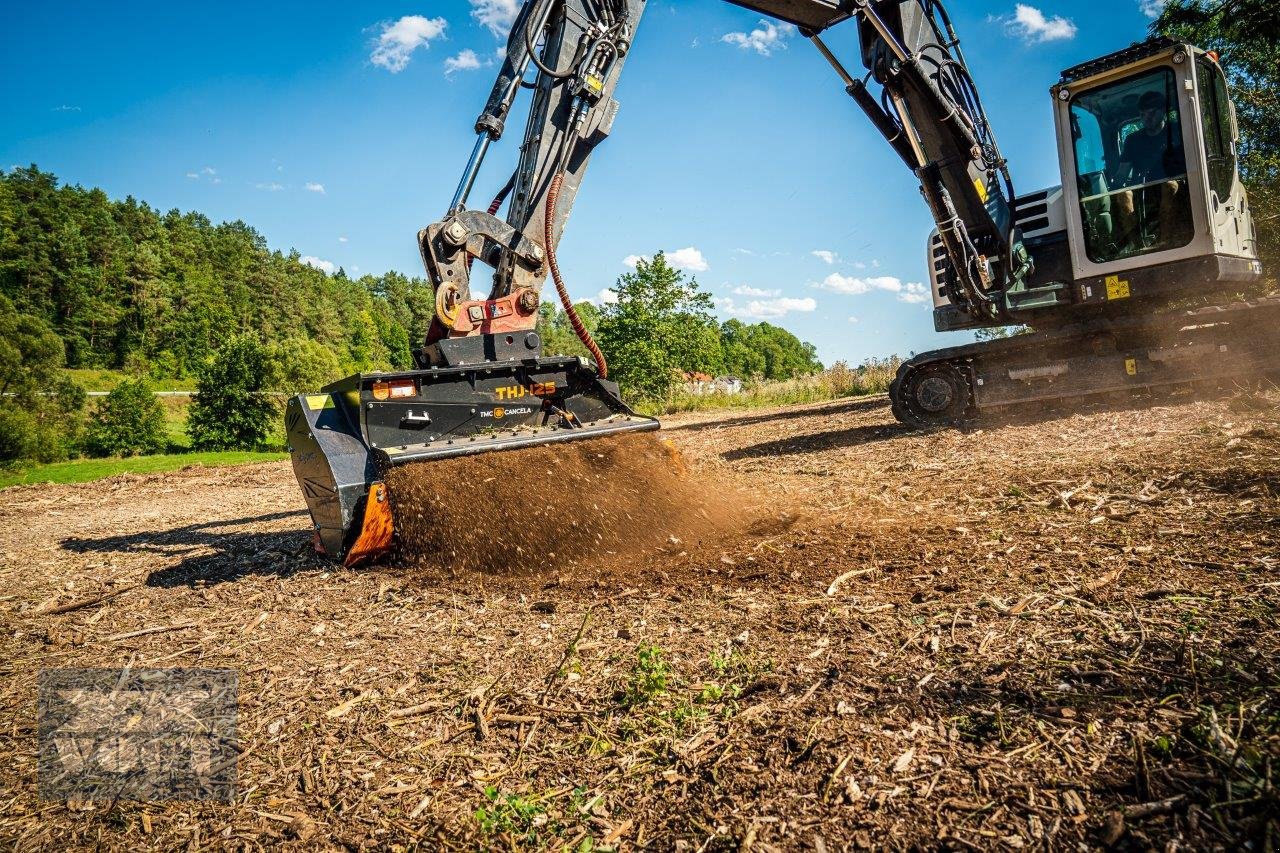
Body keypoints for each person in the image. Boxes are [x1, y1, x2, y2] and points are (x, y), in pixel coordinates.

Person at [1113, 89, 1188, 250]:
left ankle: (1163, 243)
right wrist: (1113, 187)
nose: (1146, 118)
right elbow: (1122, 174)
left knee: (1170, 185)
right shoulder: (1132, 140)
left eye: (1152, 113)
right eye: (1142, 114)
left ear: (1163, 111)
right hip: (1143, 190)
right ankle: (1139, 247)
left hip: (1177, 188)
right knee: (1123, 195)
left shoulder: (1177, 132)